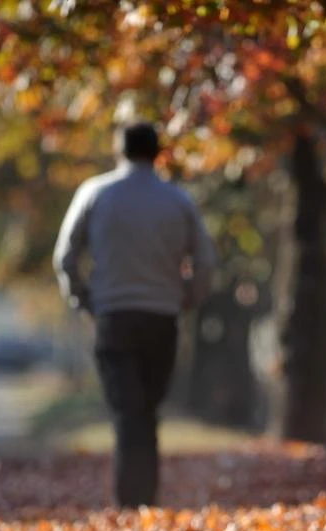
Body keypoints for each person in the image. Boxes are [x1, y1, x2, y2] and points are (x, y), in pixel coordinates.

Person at [53, 122, 217, 507]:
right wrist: (186, 299)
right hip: (161, 317)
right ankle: (144, 501)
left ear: (118, 150)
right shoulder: (178, 201)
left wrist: (84, 299)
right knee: (146, 408)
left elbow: (65, 256)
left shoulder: (94, 193)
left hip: (113, 315)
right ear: (158, 153)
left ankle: (132, 503)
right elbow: (206, 261)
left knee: (128, 411)